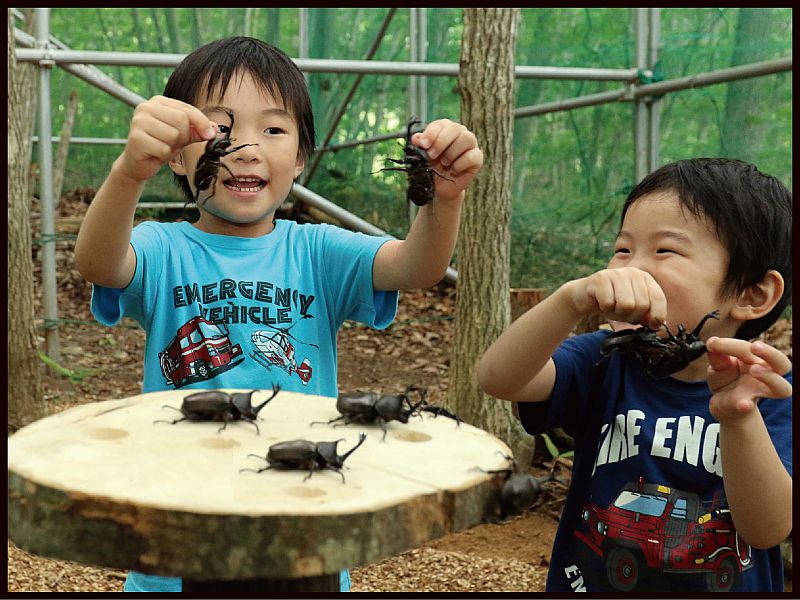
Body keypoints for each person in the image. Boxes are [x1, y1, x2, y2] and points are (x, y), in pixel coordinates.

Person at [74, 36, 483, 593]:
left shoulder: (318, 251)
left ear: (299, 157)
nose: (245, 148)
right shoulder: (161, 247)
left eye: (272, 129)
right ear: (177, 153)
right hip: (182, 520)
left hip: (302, 521)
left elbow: (417, 266)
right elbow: (98, 261)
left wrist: (447, 198)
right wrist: (127, 173)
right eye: (221, 129)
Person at [478, 158, 791, 593]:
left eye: (665, 250)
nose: (629, 268)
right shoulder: (607, 359)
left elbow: (767, 530)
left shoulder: (767, 395)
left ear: (752, 294)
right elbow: (497, 379)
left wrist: (739, 418)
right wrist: (571, 300)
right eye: (623, 249)